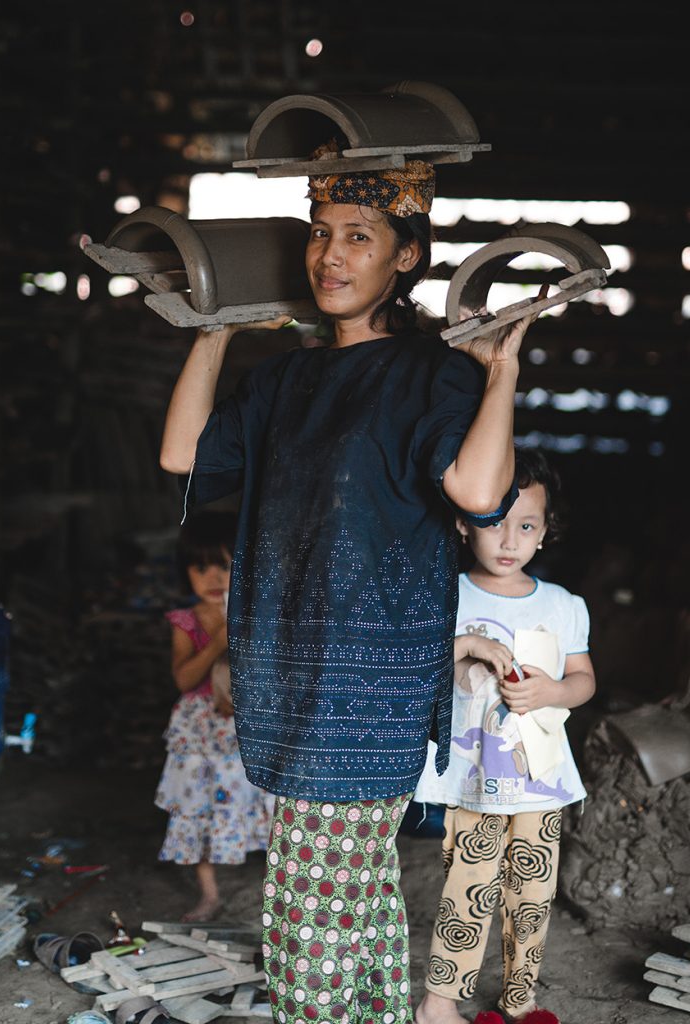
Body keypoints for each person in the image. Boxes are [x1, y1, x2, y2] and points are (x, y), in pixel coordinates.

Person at [159, 150, 546, 1022]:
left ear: (405, 256)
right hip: (287, 667)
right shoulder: (286, 379)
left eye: (360, 238)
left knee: (308, 915)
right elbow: (184, 457)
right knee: (356, 896)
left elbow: (480, 494)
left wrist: (502, 374)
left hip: (367, 681)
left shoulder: (428, 373)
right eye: (322, 236)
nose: (331, 256)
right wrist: (216, 329)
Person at [413, 448, 596, 1024]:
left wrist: (553, 692)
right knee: (469, 890)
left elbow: (584, 680)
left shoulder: (564, 605)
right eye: (495, 522)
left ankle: (520, 1002)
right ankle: (439, 1003)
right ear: (465, 522)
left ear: (545, 533)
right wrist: (466, 646)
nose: (509, 539)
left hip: (540, 779)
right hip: (472, 781)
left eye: (526, 525)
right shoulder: (447, 594)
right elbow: (413, 663)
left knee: (533, 896)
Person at [155, 508, 275, 923]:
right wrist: (216, 641)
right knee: (199, 807)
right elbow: (184, 680)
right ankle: (209, 895)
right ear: (185, 572)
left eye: (223, 566)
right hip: (200, 732)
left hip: (247, 728)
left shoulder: (259, 612)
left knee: (264, 803)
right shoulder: (186, 622)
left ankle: (277, 893)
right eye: (200, 567)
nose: (212, 578)